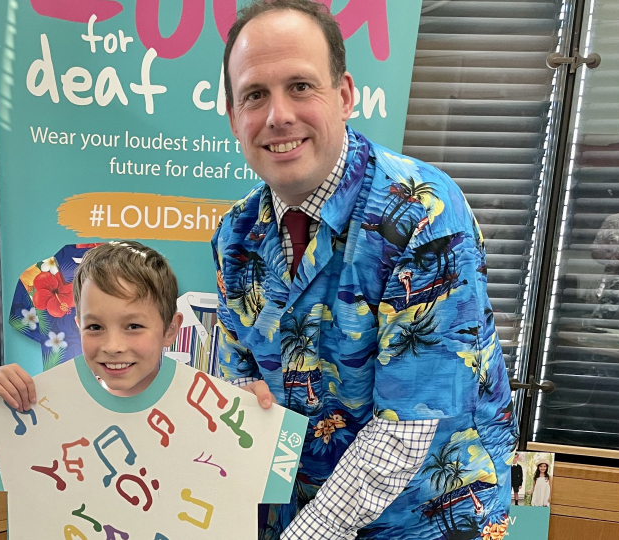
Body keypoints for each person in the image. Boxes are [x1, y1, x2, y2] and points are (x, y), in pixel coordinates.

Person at [211, 1, 519, 538]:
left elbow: (408, 429)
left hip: (426, 516)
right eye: (255, 94)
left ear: (345, 95)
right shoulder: (234, 237)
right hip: (295, 511)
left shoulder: (424, 211)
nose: (278, 115)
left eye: (301, 86)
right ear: (235, 116)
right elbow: (241, 385)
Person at [0, 241, 183, 478]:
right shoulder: (50, 407)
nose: (112, 346)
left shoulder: (199, 411)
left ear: (170, 330)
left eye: (133, 326)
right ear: (78, 327)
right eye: (95, 326)